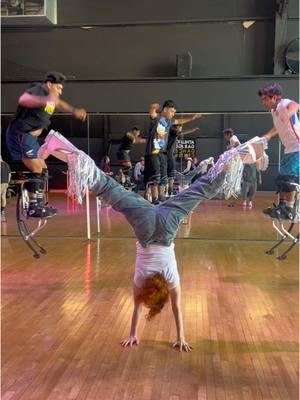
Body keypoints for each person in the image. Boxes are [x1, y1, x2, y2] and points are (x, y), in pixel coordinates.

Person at [40, 131, 246, 352]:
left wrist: (181, 336)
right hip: (145, 226)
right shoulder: (140, 281)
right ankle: (62, 147)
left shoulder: (170, 279)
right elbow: (136, 308)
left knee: (199, 191)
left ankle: (236, 157)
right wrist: (132, 334)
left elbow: (177, 308)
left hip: (167, 227)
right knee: (109, 188)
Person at [5, 71, 87, 218]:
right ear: (49, 85)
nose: (60, 91)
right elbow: (24, 99)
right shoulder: (38, 89)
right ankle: (32, 207)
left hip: (31, 139)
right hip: (21, 135)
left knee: (43, 168)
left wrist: (73, 111)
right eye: (58, 88)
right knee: (36, 167)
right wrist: (43, 100)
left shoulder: (51, 99)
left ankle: (39, 203)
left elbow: (58, 103)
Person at [144, 101, 201, 204]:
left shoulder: (169, 122)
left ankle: (161, 197)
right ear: (165, 109)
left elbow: (179, 121)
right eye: (172, 111)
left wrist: (192, 118)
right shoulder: (158, 119)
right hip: (153, 152)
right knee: (155, 177)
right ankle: (155, 199)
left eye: (174, 112)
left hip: (162, 153)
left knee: (163, 177)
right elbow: (152, 114)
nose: (173, 114)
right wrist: (153, 108)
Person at [258, 83, 300, 220]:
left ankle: (289, 208)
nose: (262, 102)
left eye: (265, 99)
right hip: (289, 149)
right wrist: (268, 135)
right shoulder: (274, 112)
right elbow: (277, 127)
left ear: (274, 97)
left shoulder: (283, 104)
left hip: (298, 147)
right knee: (281, 178)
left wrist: (288, 113)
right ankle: (282, 207)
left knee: (287, 178)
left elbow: (295, 105)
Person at [167, 126, 199, 196]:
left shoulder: (189, 160)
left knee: (172, 174)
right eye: (179, 129)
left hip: (186, 175)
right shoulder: (172, 134)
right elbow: (181, 133)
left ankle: (171, 190)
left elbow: (188, 169)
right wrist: (192, 129)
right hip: (169, 157)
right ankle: (170, 190)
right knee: (171, 174)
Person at [1, 156, 11, 222]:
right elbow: (9, 174)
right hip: (5, 183)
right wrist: (8, 182)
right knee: (3, 196)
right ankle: (2, 211)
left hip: (0, 182)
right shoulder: (6, 164)